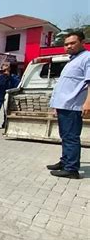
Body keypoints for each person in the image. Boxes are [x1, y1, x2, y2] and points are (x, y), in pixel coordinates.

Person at [47, 31, 90, 179]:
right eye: (66, 44)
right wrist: (55, 105)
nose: (69, 46)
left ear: (82, 42)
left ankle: (71, 169)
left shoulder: (87, 58)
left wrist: (88, 103)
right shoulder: (72, 60)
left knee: (71, 137)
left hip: (72, 106)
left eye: (72, 43)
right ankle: (65, 161)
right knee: (65, 136)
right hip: (64, 105)